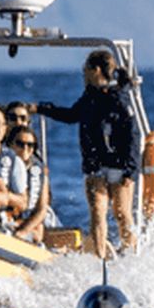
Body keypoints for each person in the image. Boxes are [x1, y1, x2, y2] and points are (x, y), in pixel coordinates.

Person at [34, 49, 140, 257]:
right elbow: (72, 115)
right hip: (96, 165)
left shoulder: (121, 97)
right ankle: (100, 257)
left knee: (121, 212)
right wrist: (41, 109)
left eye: (86, 70)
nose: (83, 74)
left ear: (96, 70)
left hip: (120, 165)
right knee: (98, 211)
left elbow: (133, 136)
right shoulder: (89, 98)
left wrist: (131, 170)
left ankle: (131, 252)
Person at [8, 127, 51, 243]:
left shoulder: (38, 170)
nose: (25, 148)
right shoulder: (4, 164)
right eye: (20, 144)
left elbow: (42, 209)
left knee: (38, 230)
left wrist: (23, 231)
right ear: (11, 144)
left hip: (28, 220)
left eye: (30, 145)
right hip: (7, 215)